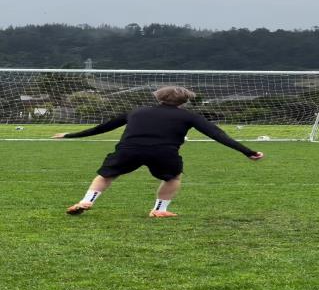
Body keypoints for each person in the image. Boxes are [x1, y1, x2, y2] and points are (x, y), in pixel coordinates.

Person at [53, 86, 264, 217]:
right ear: (185, 101)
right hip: (163, 153)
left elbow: (102, 128)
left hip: (129, 149)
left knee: (106, 175)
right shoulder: (190, 116)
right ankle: (160, 210)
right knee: (173, 178)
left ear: (158, 97)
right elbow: (218, 135)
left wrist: (70, 135)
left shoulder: (136, 111)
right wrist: (248, 151)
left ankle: (86, 202)